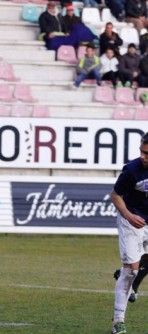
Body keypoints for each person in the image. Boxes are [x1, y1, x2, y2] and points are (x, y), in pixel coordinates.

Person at [110, 132, 148, 334]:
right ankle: (118, 322)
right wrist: (128, 214)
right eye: (142, 152)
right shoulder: (132, 170)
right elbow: (115, 196)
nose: (144, 157)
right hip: (131, 221)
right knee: (131, 270)